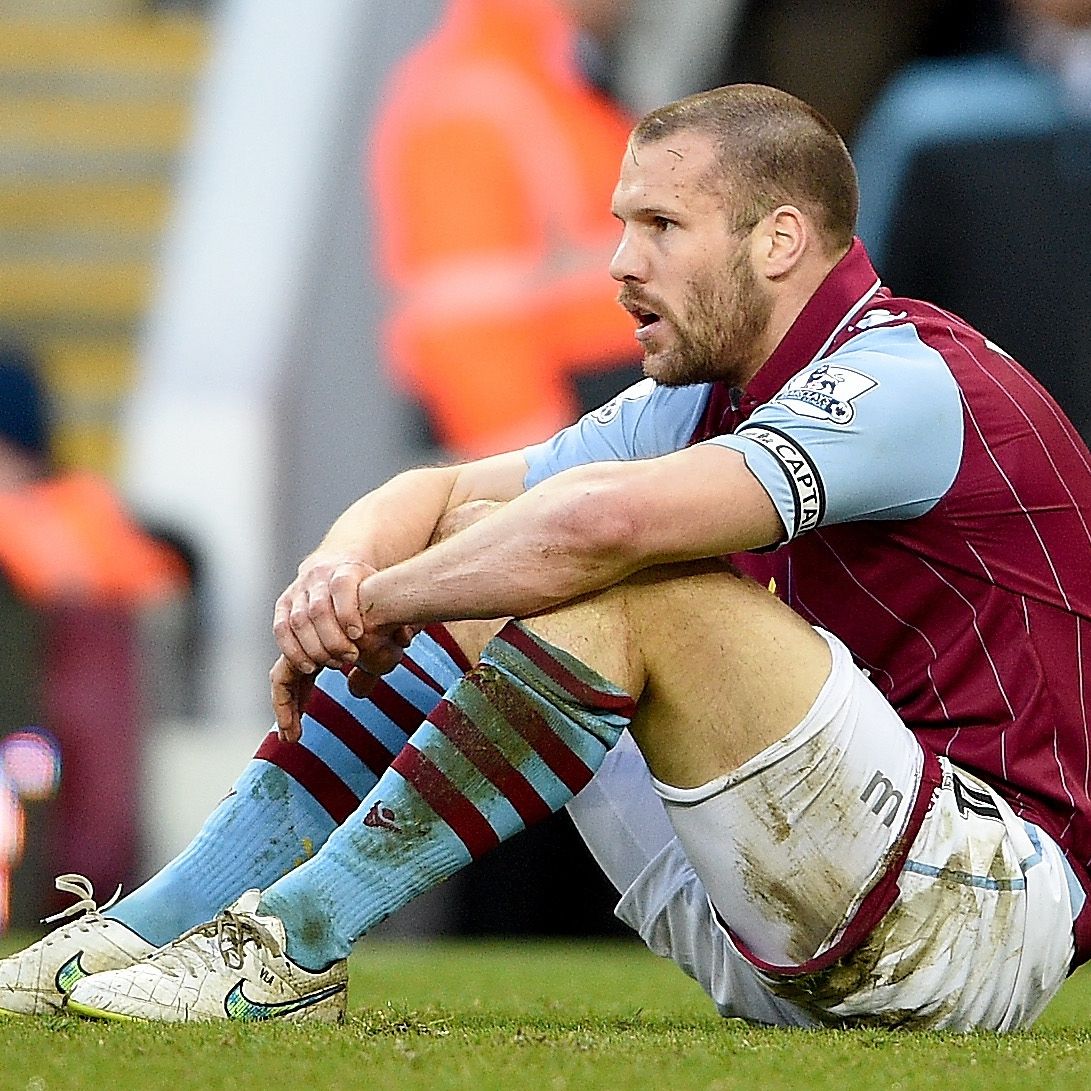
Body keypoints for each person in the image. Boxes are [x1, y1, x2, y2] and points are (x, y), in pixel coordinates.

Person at [2, 82, 1089, 1032]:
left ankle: (291, 945)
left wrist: (382, 602)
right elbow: (433, 494)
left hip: (977, 910)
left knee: (615, 578)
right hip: (797, 905)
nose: (619, 263)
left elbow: (596, 534)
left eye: (661, 225)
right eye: (623, 225)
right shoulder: (702, 399)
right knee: (490, 539)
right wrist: (336, 579)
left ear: (777, 241)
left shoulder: (902, 381)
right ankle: (147, 928)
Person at [370, 0, 642, 459]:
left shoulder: (555, 75)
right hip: (576, 416)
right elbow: (471, 320)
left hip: (608, 412)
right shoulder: (475, 97)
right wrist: (538, 477)